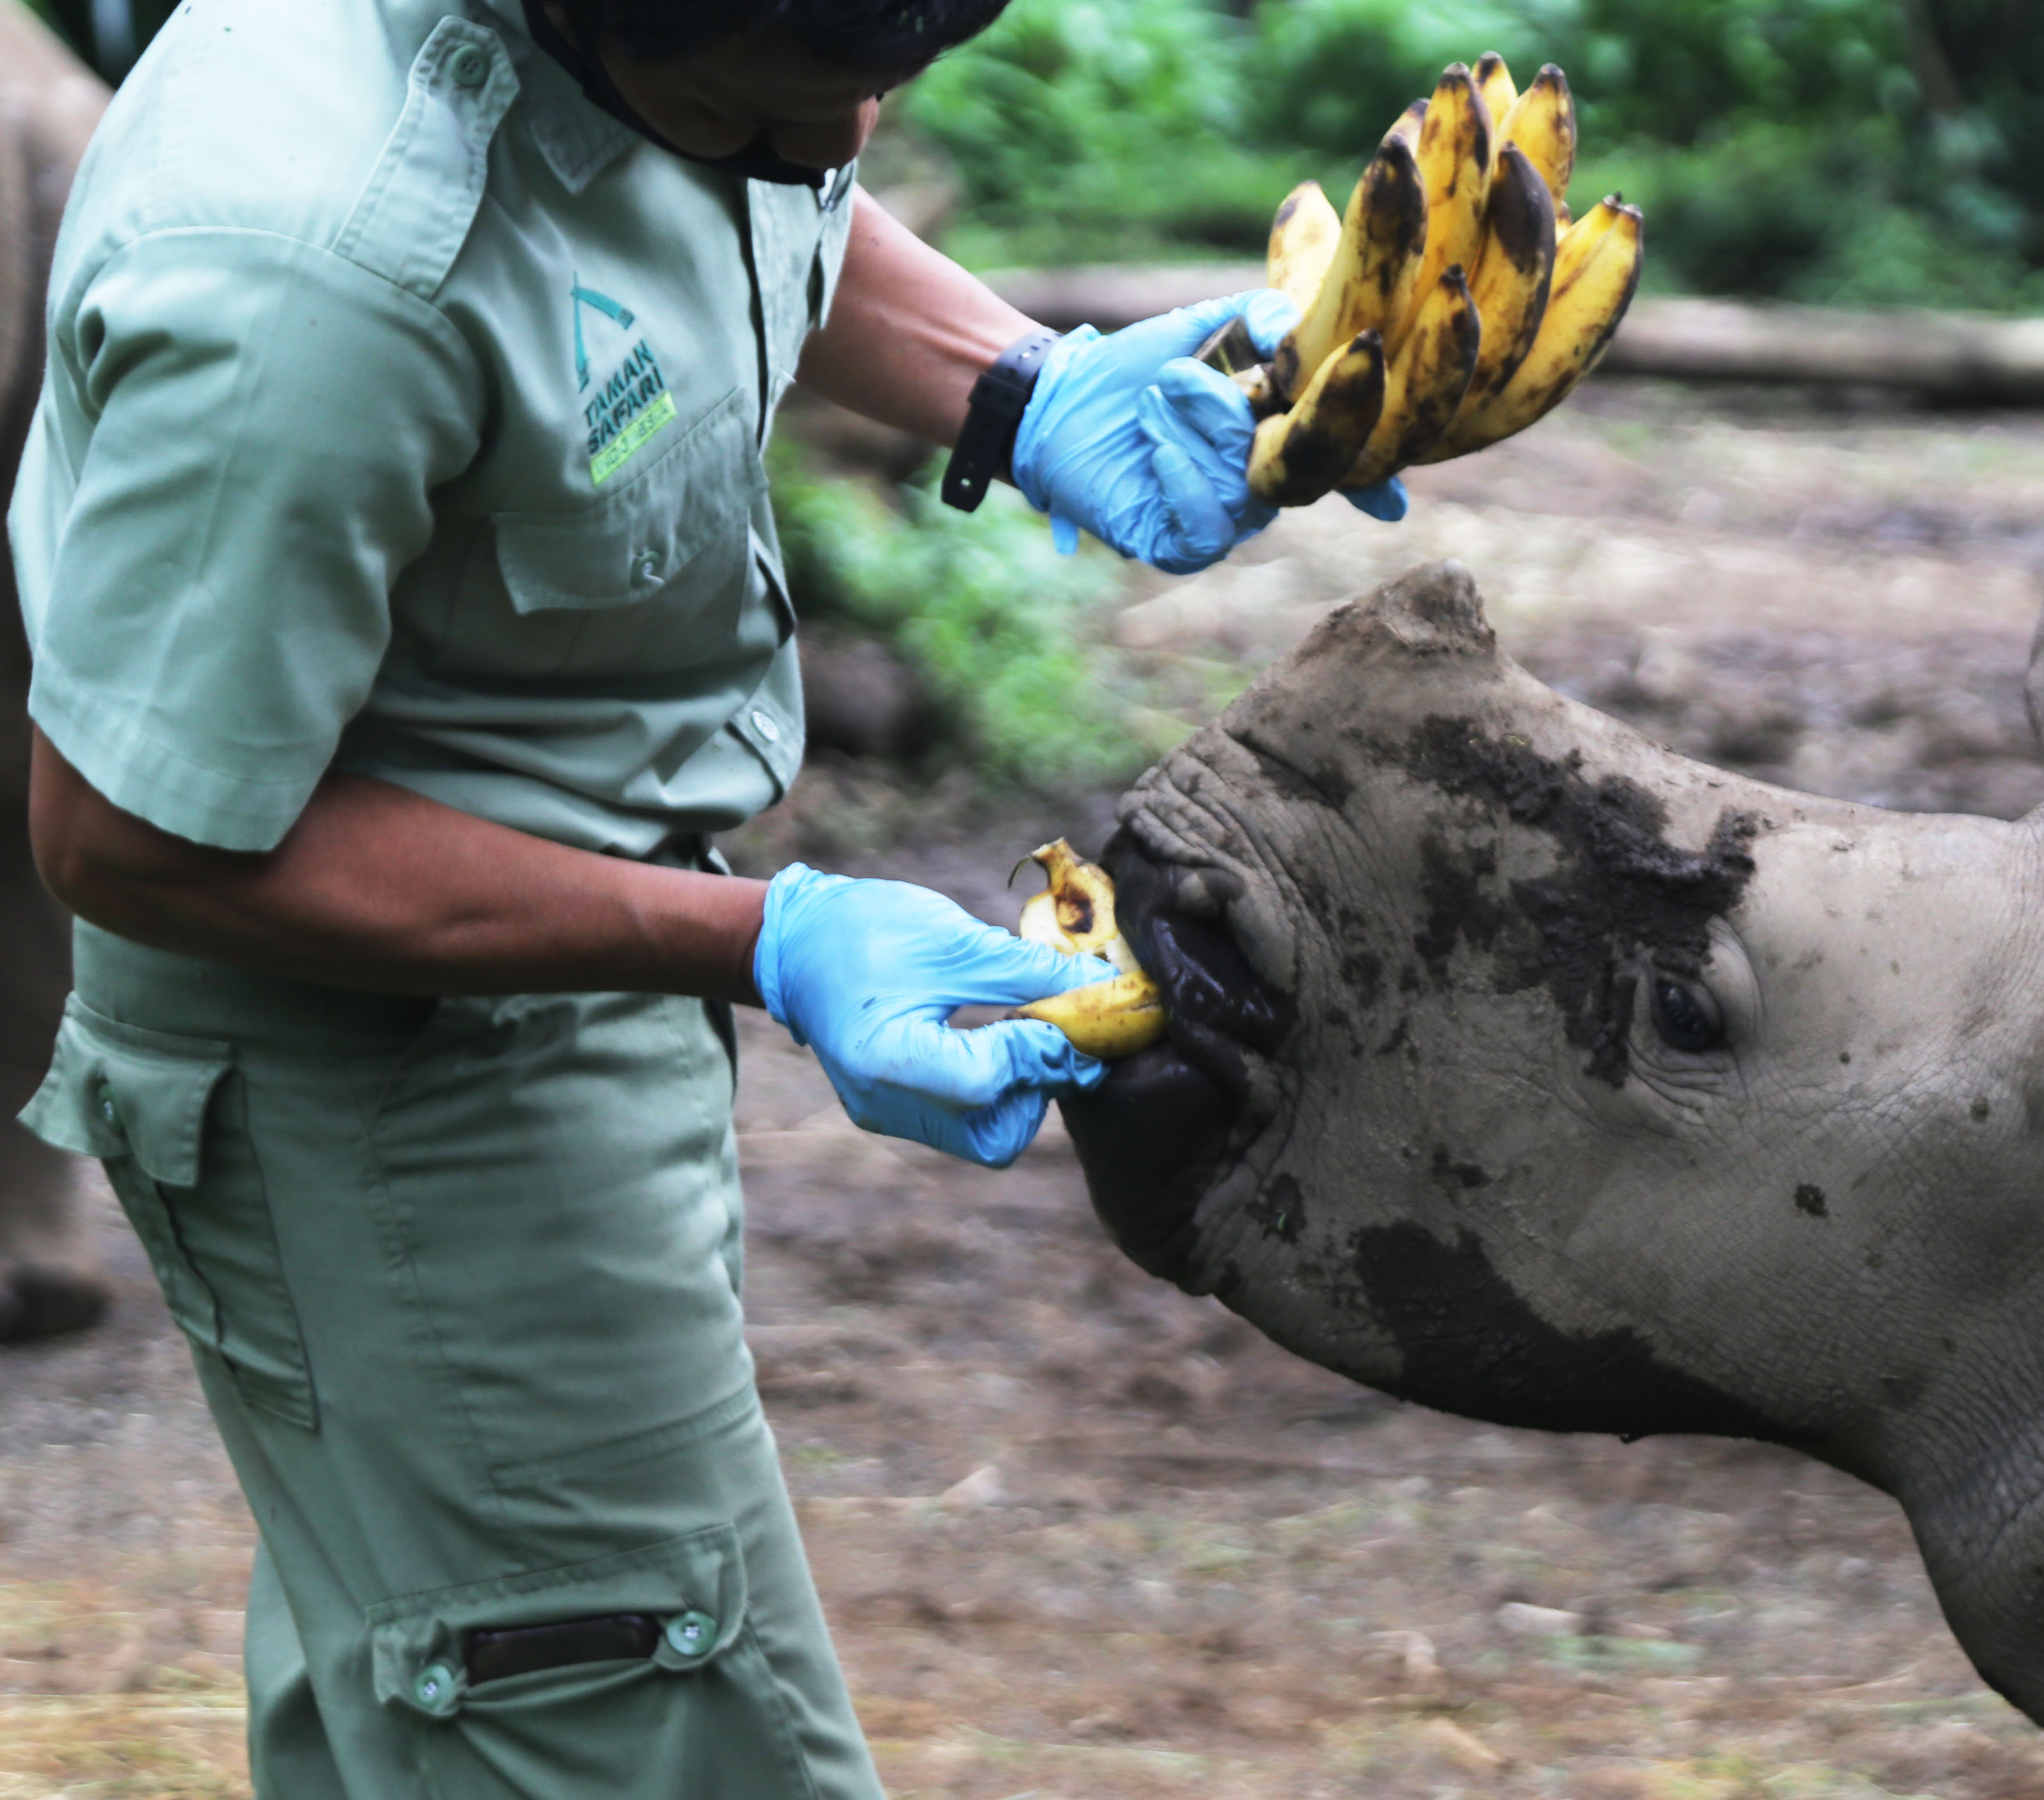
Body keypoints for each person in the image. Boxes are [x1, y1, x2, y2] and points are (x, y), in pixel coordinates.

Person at [7, 0, 1397, 1792]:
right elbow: (136, 836)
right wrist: (766, 939)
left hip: (541, 972)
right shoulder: (320, 278)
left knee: (448, 1708)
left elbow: (724, 199)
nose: (853, 142)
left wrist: (1018, 386)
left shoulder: (665, 50)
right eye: (776, 108)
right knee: (630, 1713)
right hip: (381, 1082)